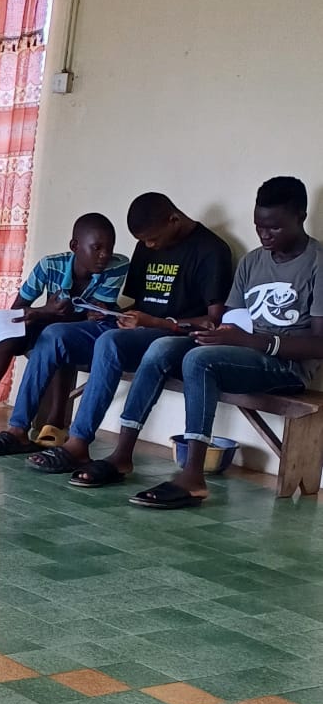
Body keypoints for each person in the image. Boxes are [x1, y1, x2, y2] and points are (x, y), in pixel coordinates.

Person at [0, 191, 234, 478]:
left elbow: (213, 321)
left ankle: (78, 443)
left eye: (152, 239)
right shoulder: (147, 245)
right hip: (135, 327)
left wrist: (155, 322)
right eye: (144, 241)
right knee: (54, 334)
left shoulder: (211, 250)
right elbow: (138, 302)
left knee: (109, 341)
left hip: (174, 335)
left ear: (173, 219)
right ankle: (18, 429)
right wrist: (112, 312)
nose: (149, 245)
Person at [123, 177, 323, 507]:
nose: (264, 235)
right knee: (163, 347)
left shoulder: (317, 263)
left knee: (199, 361)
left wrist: (253, 341)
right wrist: (215, 335)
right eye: (258, 226)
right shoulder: (253, 261)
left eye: (274, 228)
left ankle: (192, 475)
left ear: (300, 216)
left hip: (286, 367)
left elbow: (319, 345)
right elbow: (230, 322)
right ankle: (122, 453)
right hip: (243, 352)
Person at [0, 213, 127, 441]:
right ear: (74, 246)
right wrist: (46, 311)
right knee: (8, 337)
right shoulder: (49, 265)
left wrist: (58, 316)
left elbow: (89, 322)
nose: (104, 255)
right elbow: (15, 311)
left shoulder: (117, 266)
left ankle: (55, 424)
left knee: (63, 339)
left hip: (83, 335)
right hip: (49, 323)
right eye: (97, 248)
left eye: (109, 248)